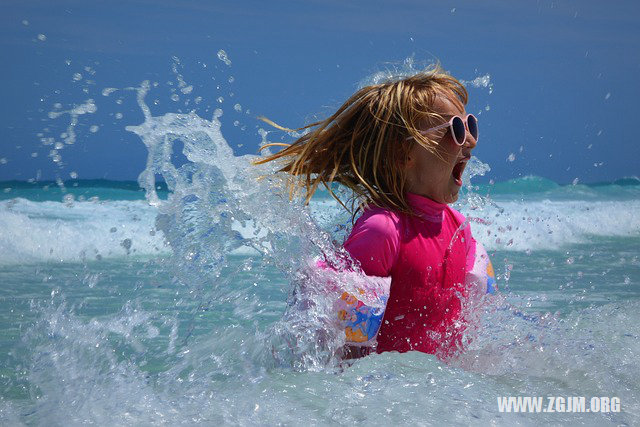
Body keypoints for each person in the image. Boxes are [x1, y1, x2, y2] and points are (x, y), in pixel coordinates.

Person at [255, 64, 488, 360]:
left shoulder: (458, 227)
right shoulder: (383, 231)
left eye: (470, 125)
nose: (470, 141)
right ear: (403, 153)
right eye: (454, 130)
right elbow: (344, 347)